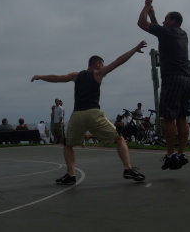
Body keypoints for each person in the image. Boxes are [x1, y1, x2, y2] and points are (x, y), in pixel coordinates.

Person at [31, 40, 148, 184]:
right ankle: (128, 168)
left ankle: (71, 175)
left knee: (68, 145)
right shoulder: (98, 73)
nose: (104, 67)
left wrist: (40, 77)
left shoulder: (76, 75)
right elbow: (119, 61)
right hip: (93, 113)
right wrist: (135, 49)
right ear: (98, 64)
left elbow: (56, 78)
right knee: (119, 139)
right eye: (102, 64)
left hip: (77, 115)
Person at [138, 0, 190, 170]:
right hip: (188, 78)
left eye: (166, 19)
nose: (163, 21)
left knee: (168, 118)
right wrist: (154, 15)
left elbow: (141, 23)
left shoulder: (166, 32)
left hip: (172, 78)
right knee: (182, 117)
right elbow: (159, 28)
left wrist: (147, 7)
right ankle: (181, 153)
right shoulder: (182, 34)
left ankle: (170, 156)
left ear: (173, 21)